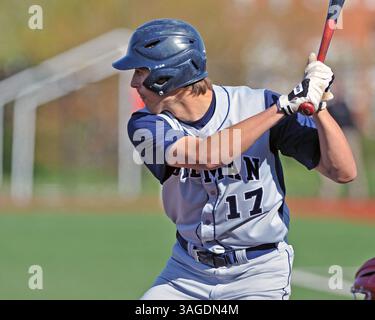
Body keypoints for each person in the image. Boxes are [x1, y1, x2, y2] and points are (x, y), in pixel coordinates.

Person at [113, 18, 357, 300]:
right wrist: (281, 107)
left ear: (167, 74)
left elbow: (343, 171)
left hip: (259, 273)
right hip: (186, 273)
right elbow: (207, 156)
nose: (134, 83)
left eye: (140, 72)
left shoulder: (259, 105)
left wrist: (318, 104)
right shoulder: (145, 124)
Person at [319, 82, 368, 198]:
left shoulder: (347, 104)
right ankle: (329, 194)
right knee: (330, 164)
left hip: (350, 134)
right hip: (335, 137)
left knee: (356, 164)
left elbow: (357, 119)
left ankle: (358, 193)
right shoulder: (328, 107)